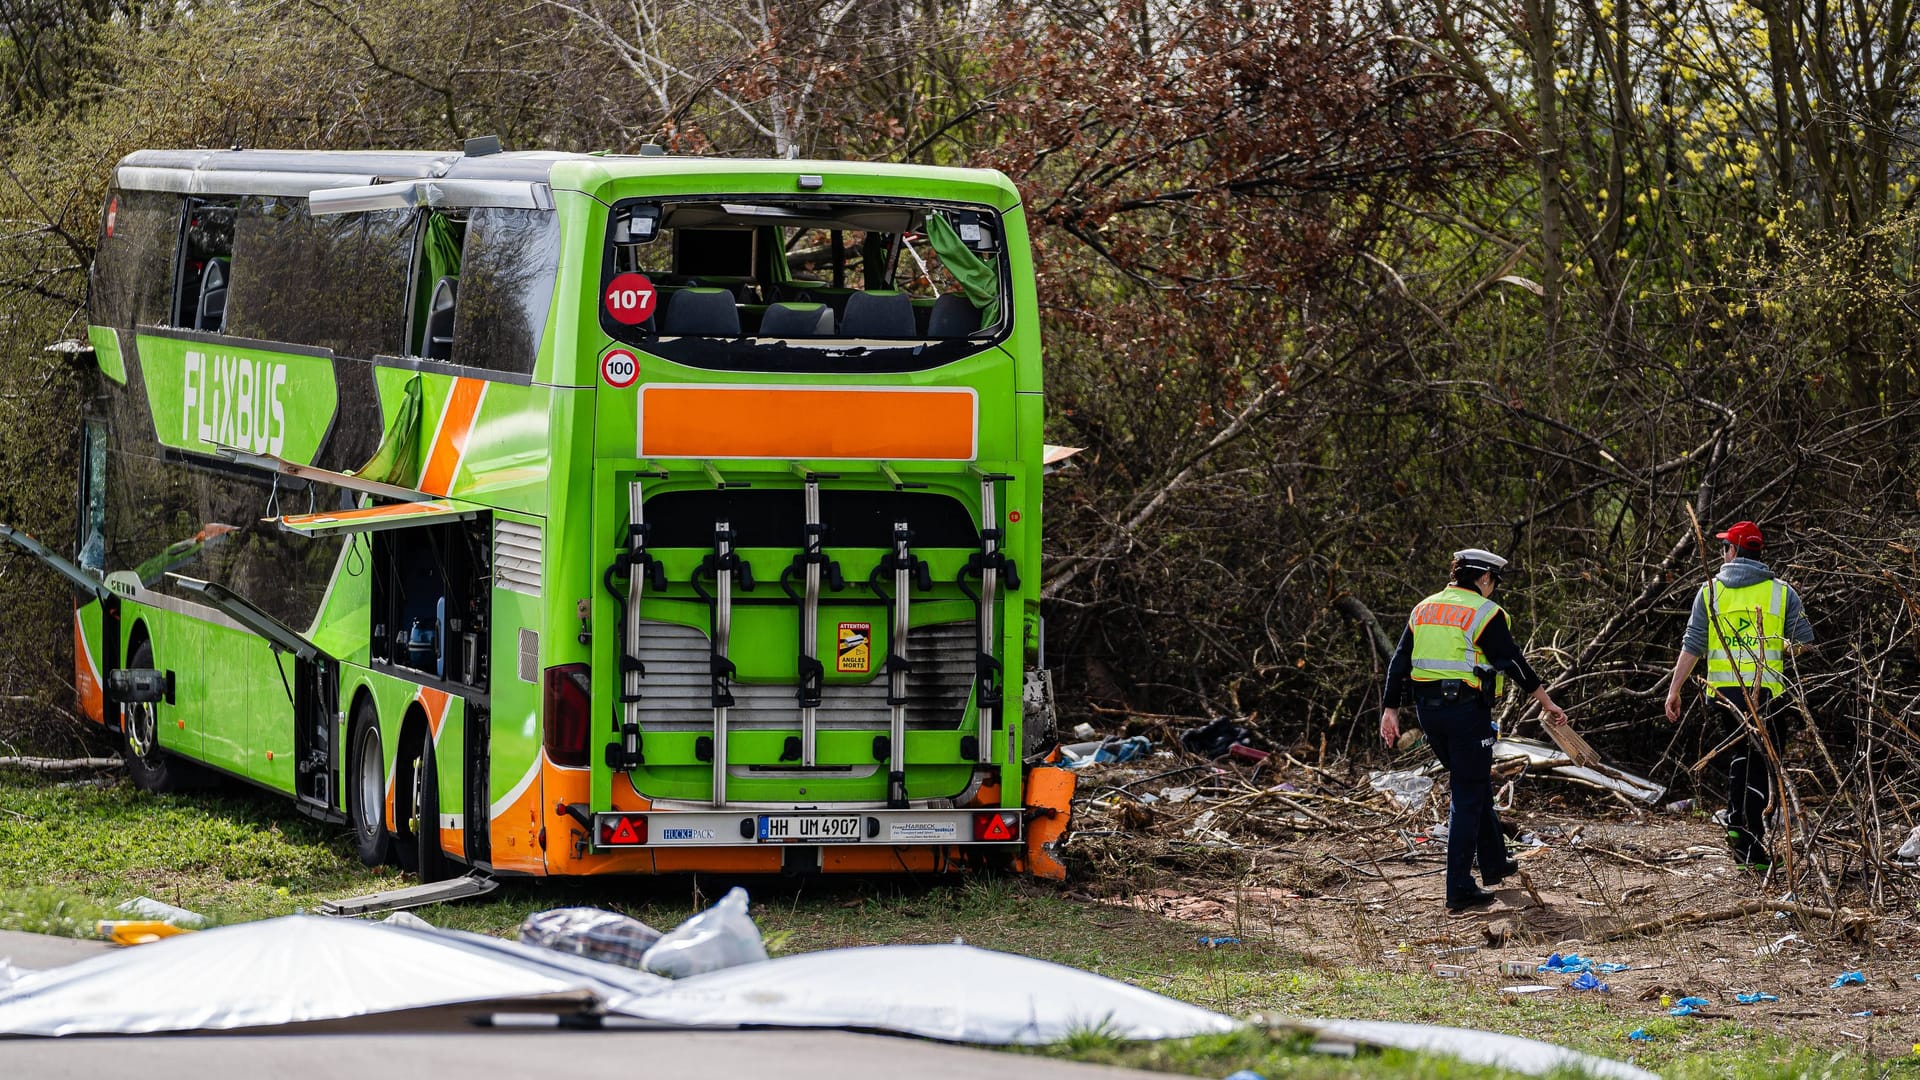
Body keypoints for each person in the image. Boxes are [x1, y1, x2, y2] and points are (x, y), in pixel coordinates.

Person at [1379, 548, 1570, 913]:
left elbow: (1399, 661)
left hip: (1428, 713)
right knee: (1467, 794)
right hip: (1465, 712)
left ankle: (1495, 861)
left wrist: (1390, 710)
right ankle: (1460, 888)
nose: (1494, 589)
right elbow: (1513, 660)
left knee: (1474, 781)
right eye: (1494, 582)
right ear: (1485, 578)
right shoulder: (1485, 612)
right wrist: (1547, 701)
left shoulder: (1424, 608)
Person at [1663, 520, 1813, 868]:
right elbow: (1805, 643)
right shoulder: (1782, 592)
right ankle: (1746, 836)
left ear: (1733, 551)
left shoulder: (1710, 591)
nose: (1721, 554)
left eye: (1724, 547)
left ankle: (1739, 826)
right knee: (1760, 762)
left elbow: (1693, 644)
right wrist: (1778, 646)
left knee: (1740, 758)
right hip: (1765, 694)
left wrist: (1675, 690)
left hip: (1723, 693)